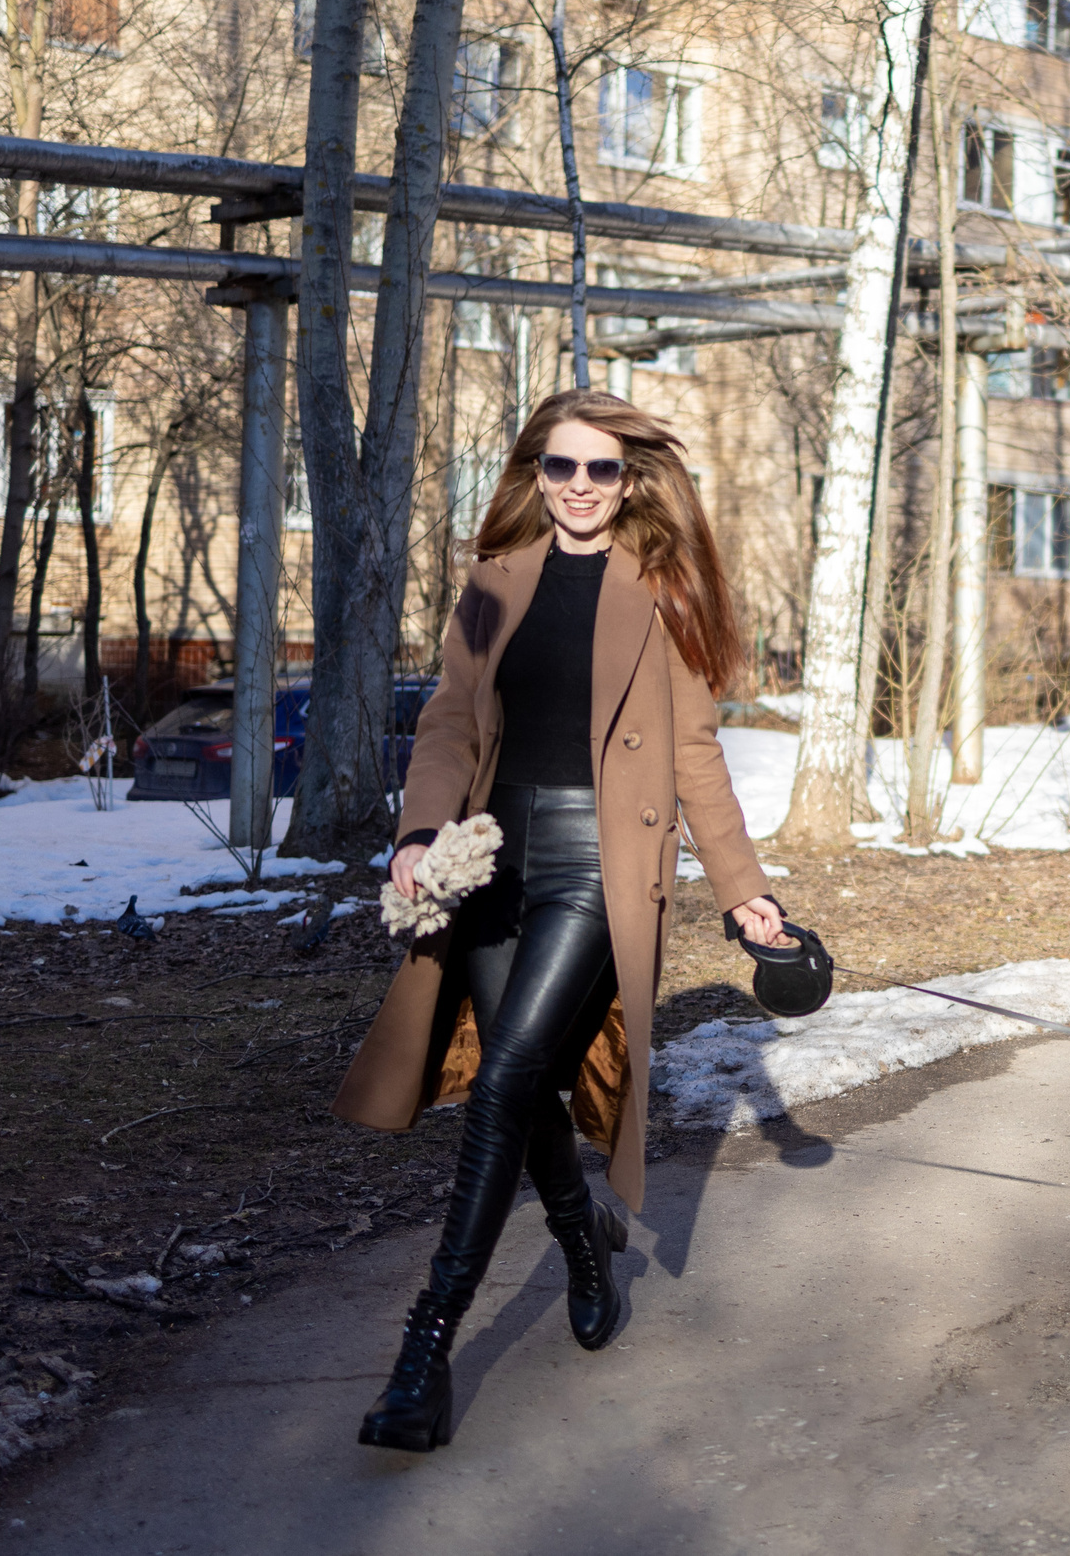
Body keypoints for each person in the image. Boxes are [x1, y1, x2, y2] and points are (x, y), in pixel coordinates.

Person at [329, 388, 783, 1453]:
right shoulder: (491, 585)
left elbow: (693, 754)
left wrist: (740, 885)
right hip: (489, 854)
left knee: (501, 1078)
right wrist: (418, 831)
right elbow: (447, 718)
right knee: (522, 1091)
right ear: (534, 473)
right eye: (560, 469)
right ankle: (584, 1241)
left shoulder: (660, 588)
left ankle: (422, 1357)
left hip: (598, 858)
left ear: (631, 481)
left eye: (602, 471)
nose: (580, 489)